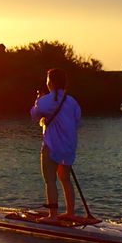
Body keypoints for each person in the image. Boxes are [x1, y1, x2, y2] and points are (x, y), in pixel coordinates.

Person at [29, 67, 85, 221]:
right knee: (65, 178)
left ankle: (52, 215)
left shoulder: (47, 99)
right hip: (69, 145)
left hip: (52, 145)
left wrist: (38, 99)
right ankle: (70, 213)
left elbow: (34, 114)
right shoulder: (72, 101)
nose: (46, 82)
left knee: (50, 180)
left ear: (51, 82)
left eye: (48, 80)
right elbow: (77, 121)